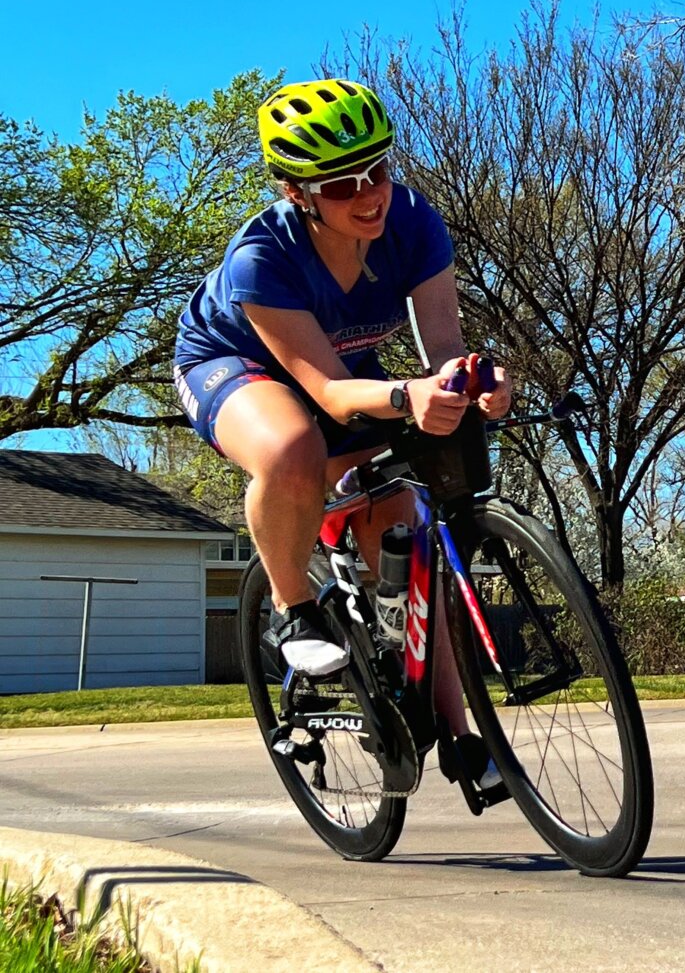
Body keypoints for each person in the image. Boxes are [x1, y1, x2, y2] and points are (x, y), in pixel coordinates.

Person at [174, 77, 509, 785]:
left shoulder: (416, 222)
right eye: (341, 184)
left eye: (378, 170)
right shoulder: (260, 257)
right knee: (294, 447)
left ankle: (456, 735)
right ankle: (293, 610)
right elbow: (324, 390)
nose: (369, 194)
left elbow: (443, 342)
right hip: (234, 361)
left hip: (346, 362)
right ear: (297, 192)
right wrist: (406, 393)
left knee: (402, 519)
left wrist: (474, 381)